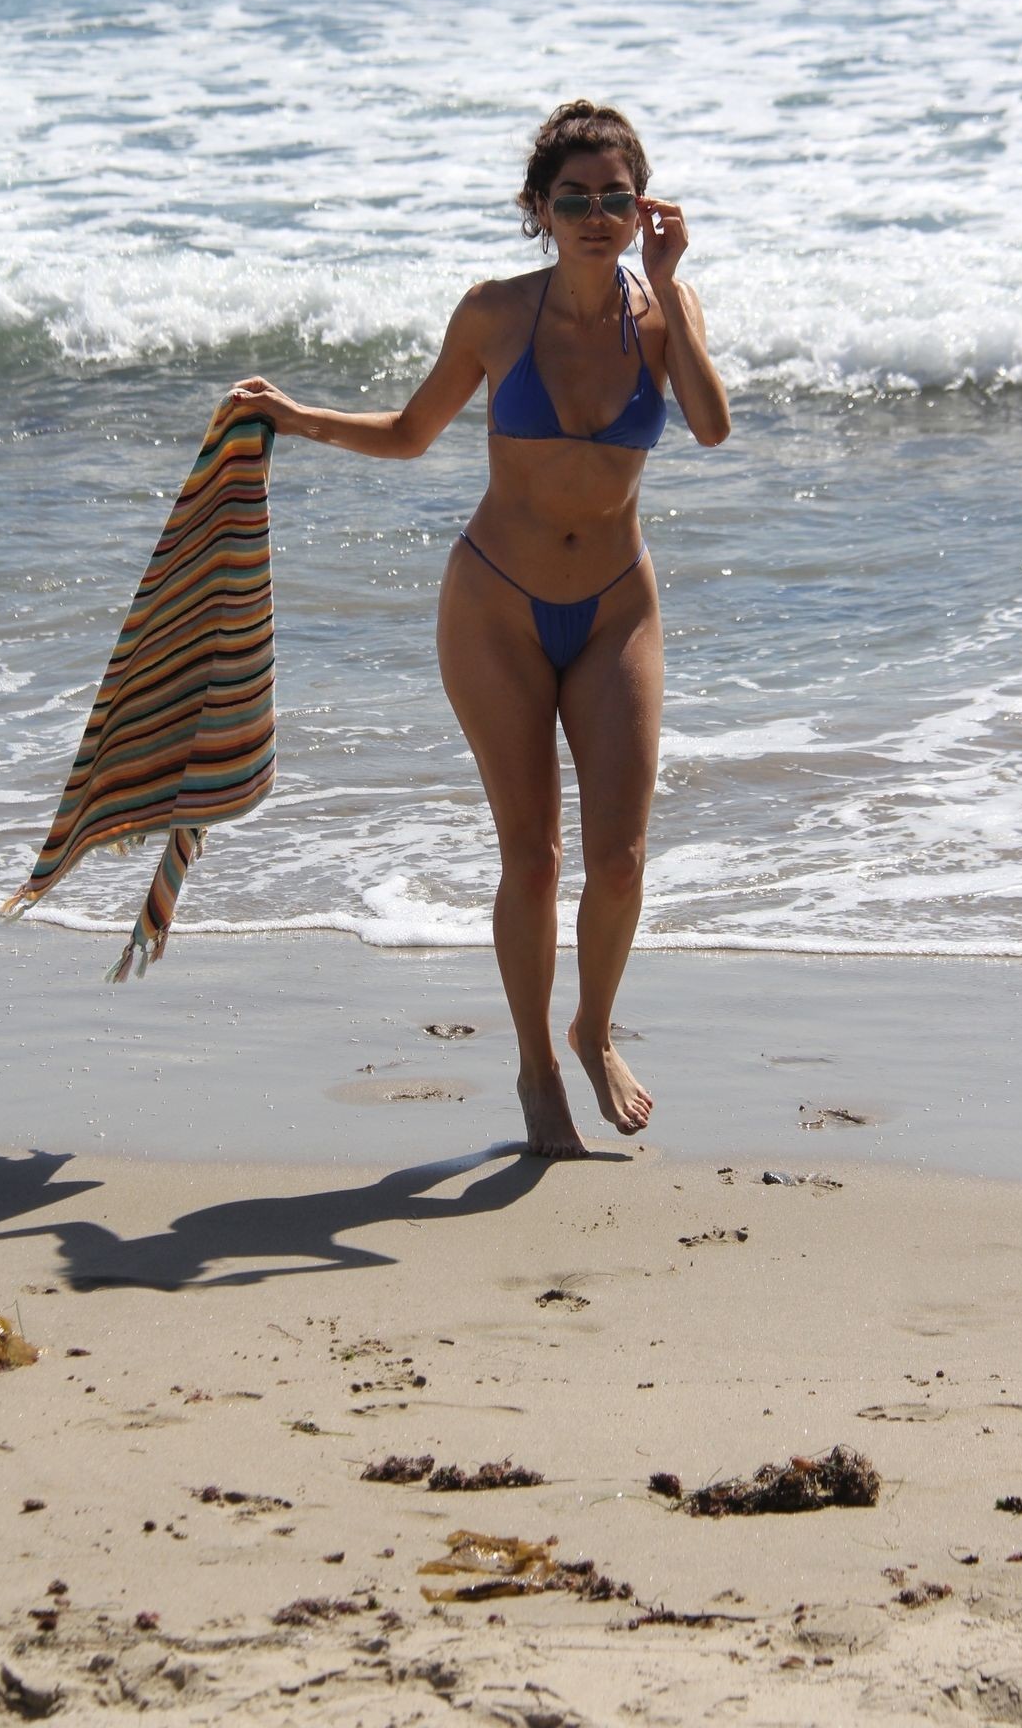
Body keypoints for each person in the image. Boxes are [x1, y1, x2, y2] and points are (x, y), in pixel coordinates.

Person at [225, 100, 730, 1159]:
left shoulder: (662, 310)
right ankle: (536, 1065)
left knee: (620, 859)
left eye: (616, 198)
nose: (596, 217)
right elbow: (412, 432)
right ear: (537, 210)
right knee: (533, 859)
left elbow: (711, 426)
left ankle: (593, 1031)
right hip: (495, 605)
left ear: (644, 207)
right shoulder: (495, 312)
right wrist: (299, 418)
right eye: (573, 199)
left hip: (616, 607)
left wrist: (673, 286)